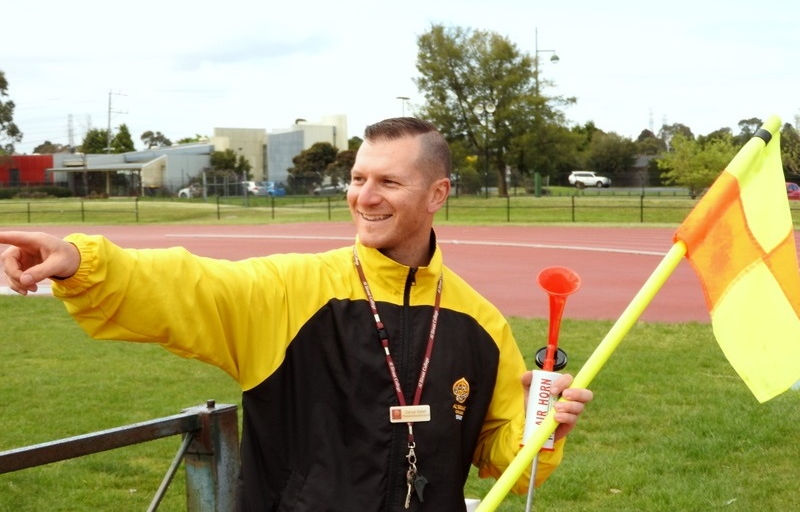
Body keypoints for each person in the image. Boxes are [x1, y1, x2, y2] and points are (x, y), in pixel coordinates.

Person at [0, 117, 592, 511]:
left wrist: (544, 430)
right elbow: (185, 284)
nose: (365, 196)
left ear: (438, 194)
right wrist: (79, 261)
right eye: (358, 179)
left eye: (389, 180)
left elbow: (498, 450)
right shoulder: (292, 290)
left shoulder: (479, 322)